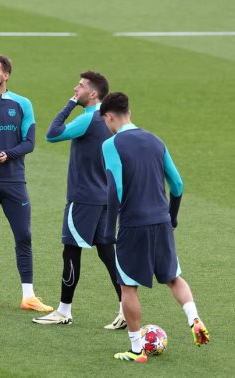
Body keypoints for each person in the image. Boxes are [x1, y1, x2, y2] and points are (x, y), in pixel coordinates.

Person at [99, 92, 210, 362]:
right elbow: (178, 184)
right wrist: (171, 216)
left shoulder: (111, 144)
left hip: (132, 224)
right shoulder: (156, 140)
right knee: (173, 277)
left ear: (109, 116)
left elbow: (116, 188)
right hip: (160, 221)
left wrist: (107, 229)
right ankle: (194, 318)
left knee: (128, 286)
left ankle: (137, 349)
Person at [33, 71, 124, 328]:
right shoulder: (109, 121)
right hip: (105, 198)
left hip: (83, 200)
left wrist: (70, 103)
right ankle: (125, 309)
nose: (76, 88)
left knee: (71, 252)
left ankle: (63, 311)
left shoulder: (89, 119)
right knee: (107, 253)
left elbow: (52, 134)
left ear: (93, 94)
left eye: (81, 86)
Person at [0, 54, 51, 312]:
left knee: (23, 236)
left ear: (6, 75)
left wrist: (5, 155)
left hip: (14, 180)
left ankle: (28, 296)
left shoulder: (23, 104)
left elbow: (29, 142)